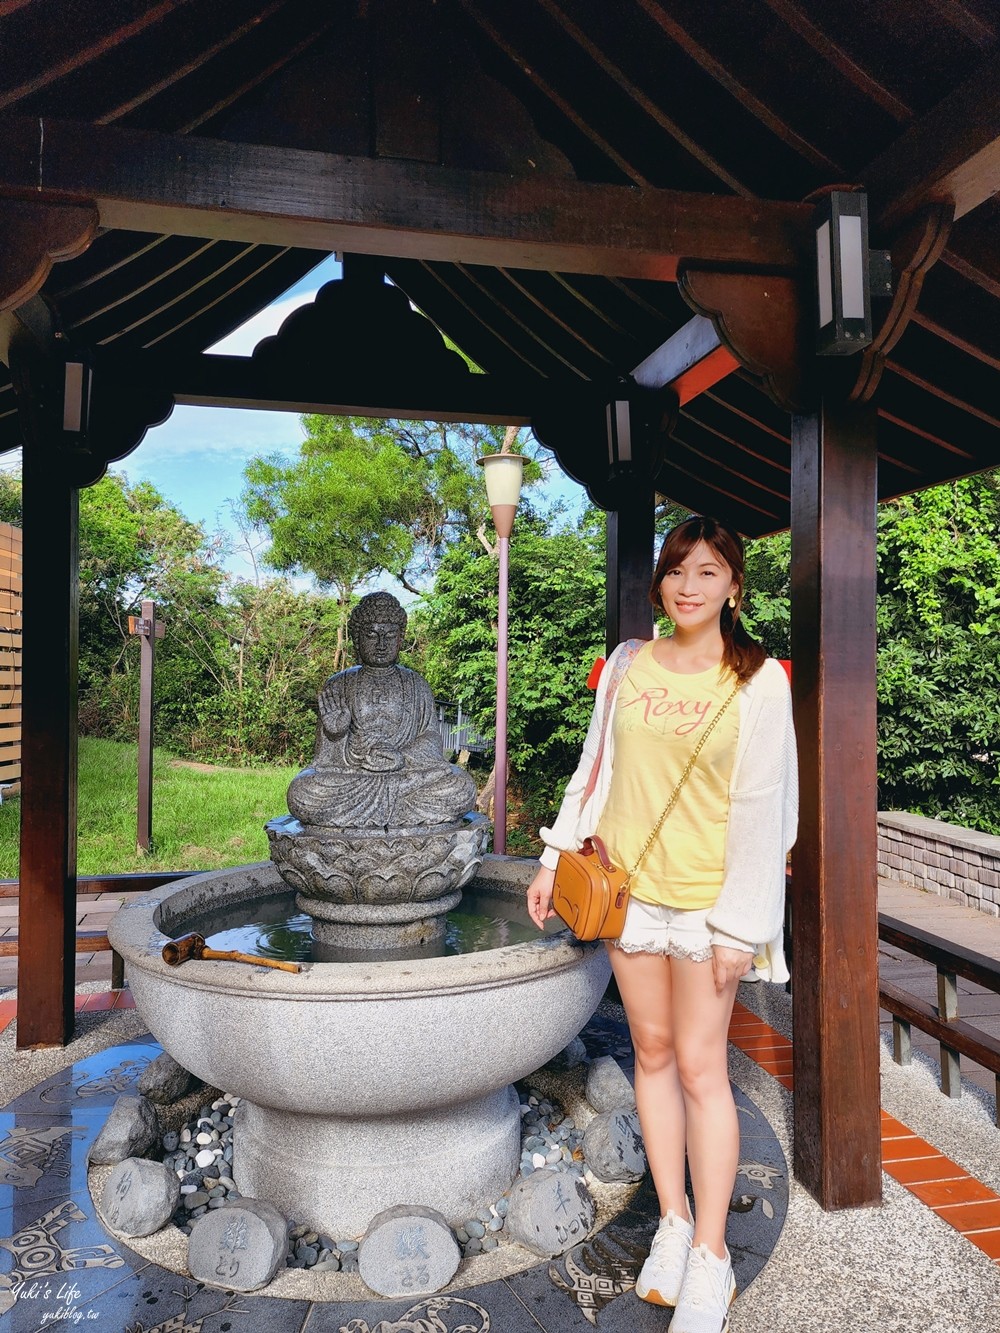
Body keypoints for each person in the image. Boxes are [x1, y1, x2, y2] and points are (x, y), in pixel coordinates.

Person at [526, 515, 797, 1333]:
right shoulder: (627, 664)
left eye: (708, 572)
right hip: (629, 893)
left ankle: (712, 1255)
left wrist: (740, 926)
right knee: (649, 1052)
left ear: (734, 587)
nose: (688, 586)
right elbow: (594, 765)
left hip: (709, 903)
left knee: (702, 1067)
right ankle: (673, 1221)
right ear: (660, 582)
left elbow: (764, 809)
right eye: (678, 570)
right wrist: (553, 855)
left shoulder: (758, 681)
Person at [287, 590, 477, 828]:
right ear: (357, 638)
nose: (381, 644)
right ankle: (398, 813)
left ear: (400, 638)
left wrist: (402, 757)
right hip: (354, 776)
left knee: (461, 785)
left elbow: (431, 738)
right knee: (303, 792)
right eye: (372, 635)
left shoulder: (417, 685)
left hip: (405, 776)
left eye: (389, 635)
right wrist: (335, 734)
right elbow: (324, 761)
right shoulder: (339, 684)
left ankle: (371, 813)